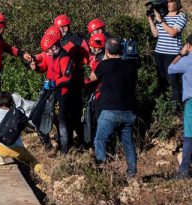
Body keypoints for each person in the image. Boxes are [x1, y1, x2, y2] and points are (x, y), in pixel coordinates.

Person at [89, 38, 139, 179]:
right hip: (129, 111)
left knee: (100, 140)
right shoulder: (130, 66)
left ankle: (105, 175)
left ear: (106, 51)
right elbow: (135, 84)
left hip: (110, 111)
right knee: (128, 143)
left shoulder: (104, 65)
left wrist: (103, 59)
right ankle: (132, 175)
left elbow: (91, 77)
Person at [0, 91, 48, 180]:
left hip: (2, 149)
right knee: (32, 160)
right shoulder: (15, 112)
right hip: (18, 149)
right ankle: (47, 178)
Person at [30, 34, 74, 154]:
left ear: (54, 47)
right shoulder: (53, 56)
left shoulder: (64, 57)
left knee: (61, 121)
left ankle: (64, 151)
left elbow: (68, 78)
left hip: (61, 96)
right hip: (53, 93)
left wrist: (53, 83)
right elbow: (46, 68)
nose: (47, 54)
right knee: (38, 116)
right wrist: (37, 69)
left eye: (48, 51)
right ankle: (50, 146)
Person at [54, 14, 90, 149]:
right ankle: (67, 141)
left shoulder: (76, 39)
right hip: (60, 85)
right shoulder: (57, 41)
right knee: (59, 113)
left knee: (74, 115)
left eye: (62, 28)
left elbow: (87, 54)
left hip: (73, 83)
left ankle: (81, 142)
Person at [148, 0, 187, 103]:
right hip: (159, 52)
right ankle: (164, 105)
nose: (168, 4)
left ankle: (175, 107)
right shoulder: (163, 15)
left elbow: (173, 32)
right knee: (161, 80)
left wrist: (161, 21)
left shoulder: (181, 16)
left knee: (172, 80)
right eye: (167, 2)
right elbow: (156, 34)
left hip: (172, 53)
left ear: (177, 3)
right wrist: (151, 20)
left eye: (171, 2)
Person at [168, 34, 192, 180]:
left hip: (191, 102)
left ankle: (183, 172)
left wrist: (180, 54)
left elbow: (171, 68)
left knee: (189, 137)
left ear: (188, 46)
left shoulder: (186, 61)